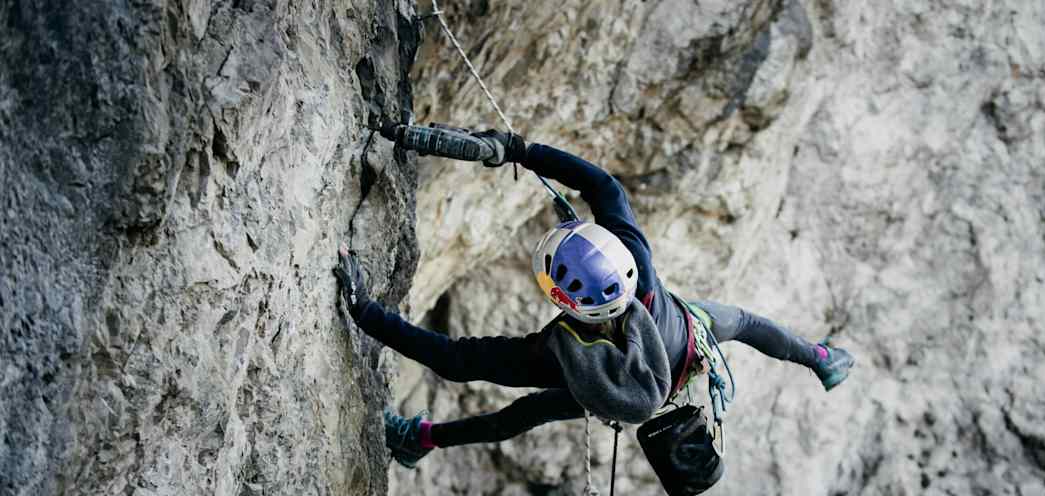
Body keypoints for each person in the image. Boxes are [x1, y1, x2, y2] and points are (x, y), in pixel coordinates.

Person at [333, 131, 854, 468]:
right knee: (740, 322)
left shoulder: (556, 354)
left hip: (643, 367)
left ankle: (419, 439)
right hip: (678, 348)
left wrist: (515, 150)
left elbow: (456, 359)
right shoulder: (639, 275)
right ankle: (820, 359)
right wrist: (365, 312)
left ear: (560, 298)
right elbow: (456, 362)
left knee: (523, 413)